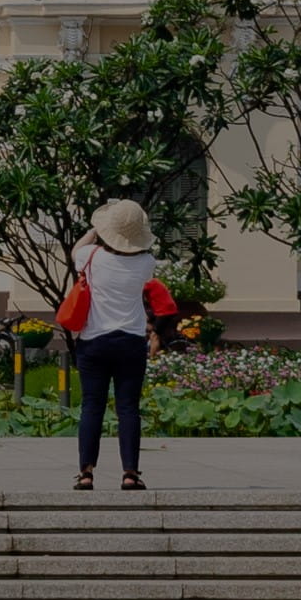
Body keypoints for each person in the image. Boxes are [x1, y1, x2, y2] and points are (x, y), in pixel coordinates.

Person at [59, 199, 177, 493]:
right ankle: (130, 474)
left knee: (92, 406)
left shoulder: (89, 256)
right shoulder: (146, 263)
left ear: (106, 230)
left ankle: (86, 473)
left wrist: (94, 228)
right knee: (128, 408)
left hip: (94, 342)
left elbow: (76, 249)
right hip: (131, 342)